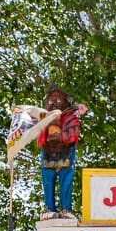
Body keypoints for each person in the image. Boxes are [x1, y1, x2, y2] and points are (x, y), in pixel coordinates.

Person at [37, 86, 81, 221]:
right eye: (50, 102)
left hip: (66, 155)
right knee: (48, 182)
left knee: (66, 181)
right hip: (48, 156)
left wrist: (61, 136)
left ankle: (66, 208)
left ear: (66, 102)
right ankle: (49, 208)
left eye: (58, 101)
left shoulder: (71, 117)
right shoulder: (44, 119)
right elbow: (39, 139)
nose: (54, 104)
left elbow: (73, 135)